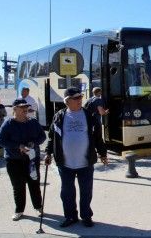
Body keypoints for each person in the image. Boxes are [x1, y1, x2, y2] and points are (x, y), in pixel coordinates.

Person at [45, 87, 108, 228]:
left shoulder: (89, 116)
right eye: (76, 98)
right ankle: (70, 216)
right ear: (67, 101)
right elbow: (52, 138)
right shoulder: (59, 116)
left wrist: (103, 154)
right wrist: (48, 153)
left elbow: (98, 138)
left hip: (85, 163)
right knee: (67, 193)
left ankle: (86, 216)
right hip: (65, 163)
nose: (80, 100)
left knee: (86, 192)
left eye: (80, 97)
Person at [0, 99, 46, 221]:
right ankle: (19, 210)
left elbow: (42, 136)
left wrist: (33, 143)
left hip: (31, 160)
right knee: (18, 186)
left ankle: (38, 207)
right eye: (22, 107)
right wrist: (18, 146)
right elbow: (2, 141)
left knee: (34, 184)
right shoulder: (8, 124)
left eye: (26, 106)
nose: (25, 109)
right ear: (14, 109)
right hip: (14, 160)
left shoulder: (33, 122)